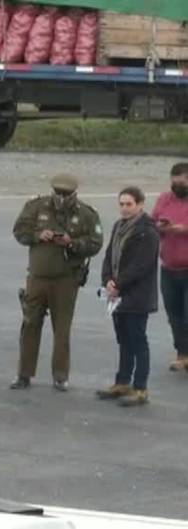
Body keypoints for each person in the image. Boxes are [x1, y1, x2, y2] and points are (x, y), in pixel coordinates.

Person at [11, 173, 103, 391]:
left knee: (62, 329)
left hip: (66, 279)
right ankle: (24, 374)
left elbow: (95, 243)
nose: (61, 198)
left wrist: (72, 243)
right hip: (37, 277)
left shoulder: (86, 214)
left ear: (74, 194)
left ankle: (60, 376)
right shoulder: (36, 207)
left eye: (66, 194)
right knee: (30, 324)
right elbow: (19, 231)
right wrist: (37, 235)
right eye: (58, 193)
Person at [96, 187, 159, 406]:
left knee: (138, 340)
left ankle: (140, 388)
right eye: (121, 204)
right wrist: (107, 281)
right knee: (123, 339)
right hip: (118, 294)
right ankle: (122, 381)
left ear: (140, 204)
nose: (124, 208)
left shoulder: (147, 231)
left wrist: (119, 285)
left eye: (129, 204)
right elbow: (109, 256)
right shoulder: (118, 226)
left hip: (137, 296)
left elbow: (141, 265)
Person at [150, 162, 188, 372]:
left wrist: (182, 228)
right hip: (169, 267)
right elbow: (152, 221)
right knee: (174, 315)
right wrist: (160, 226)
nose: (177, 187)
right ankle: (182, 354)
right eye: (174, 183)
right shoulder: (164, 199)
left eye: (181, 183)